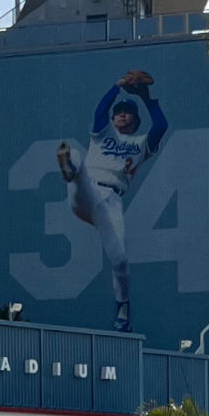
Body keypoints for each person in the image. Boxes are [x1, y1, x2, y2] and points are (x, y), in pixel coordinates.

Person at [57, 69, 167, 331]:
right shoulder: (103, 132)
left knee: (120, 260)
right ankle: (70, 170)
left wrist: (146, 97)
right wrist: (117, 85)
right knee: (77, 158)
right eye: (118, 111)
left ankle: (123, 310)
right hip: (86, 191)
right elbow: (100, 110)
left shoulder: (141, 144)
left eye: (126, 112)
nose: (120, 114)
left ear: (135, 119)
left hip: (111, 202)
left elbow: (161, 126)